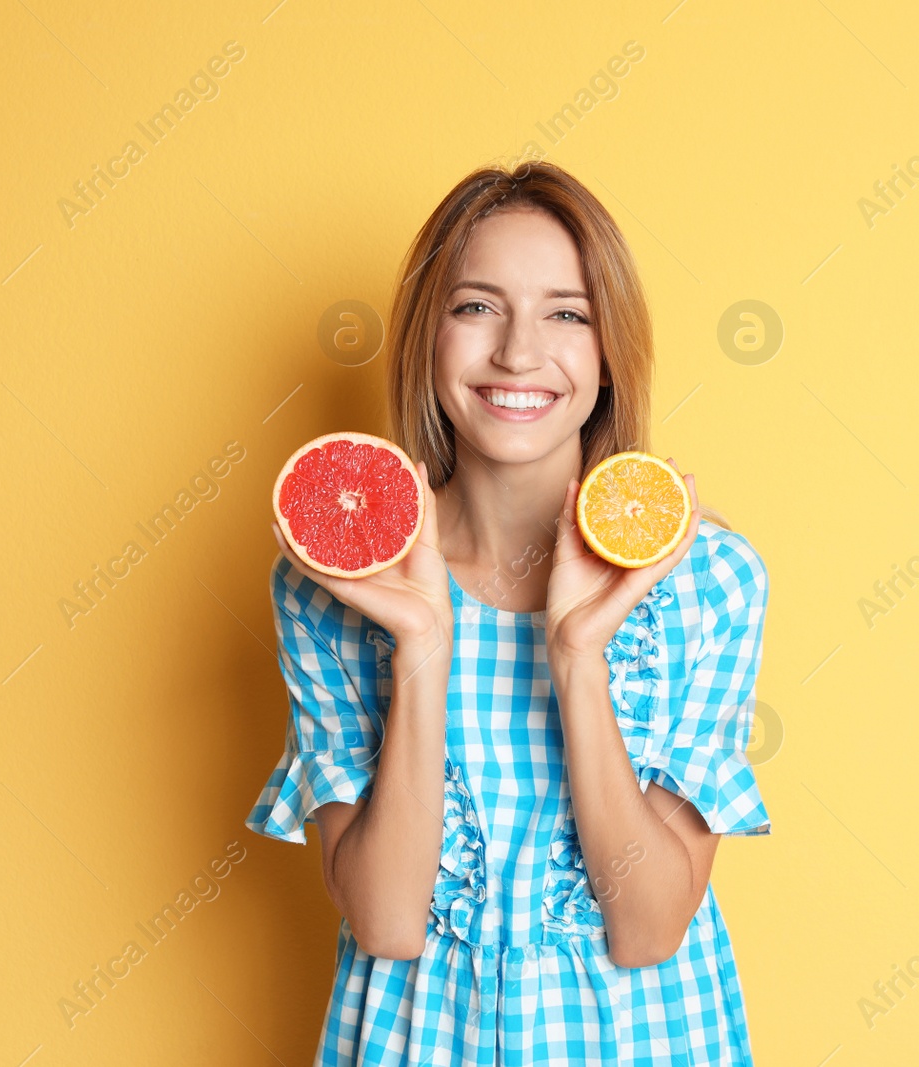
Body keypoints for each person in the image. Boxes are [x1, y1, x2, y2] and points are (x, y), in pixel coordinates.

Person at [249, 160, 771, 1065]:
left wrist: (578, 657)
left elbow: (648, 927)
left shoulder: (707, 582)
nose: (518, 353)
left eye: (567, 313)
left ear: (609, 353)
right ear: (426, 337)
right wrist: (419, 642)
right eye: (477, 306)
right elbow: (385, 921)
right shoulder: (328, 591)